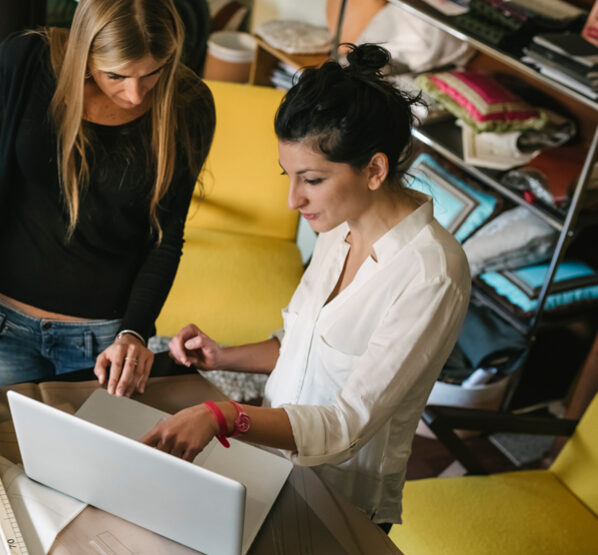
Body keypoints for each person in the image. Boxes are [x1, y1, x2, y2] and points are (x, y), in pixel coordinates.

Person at [140, 44, 471, 530]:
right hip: (271, 460)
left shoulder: (432, 275)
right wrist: (224, 356)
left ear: (375, 170)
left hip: (340, 498)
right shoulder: (338, 227)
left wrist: (224, 414)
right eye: (288, 176)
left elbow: (346, 425)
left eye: (311, 180)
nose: (293, 199)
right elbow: (302, 343)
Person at [0, 0, 215, 396]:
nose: (133, 94)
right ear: (85, 51)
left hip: (102, 340)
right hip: (4, 319)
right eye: (115, 75)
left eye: (152, 73)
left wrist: (134, 332)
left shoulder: (189, 106)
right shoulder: (26, 59)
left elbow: (167, 238)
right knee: (15, 444)